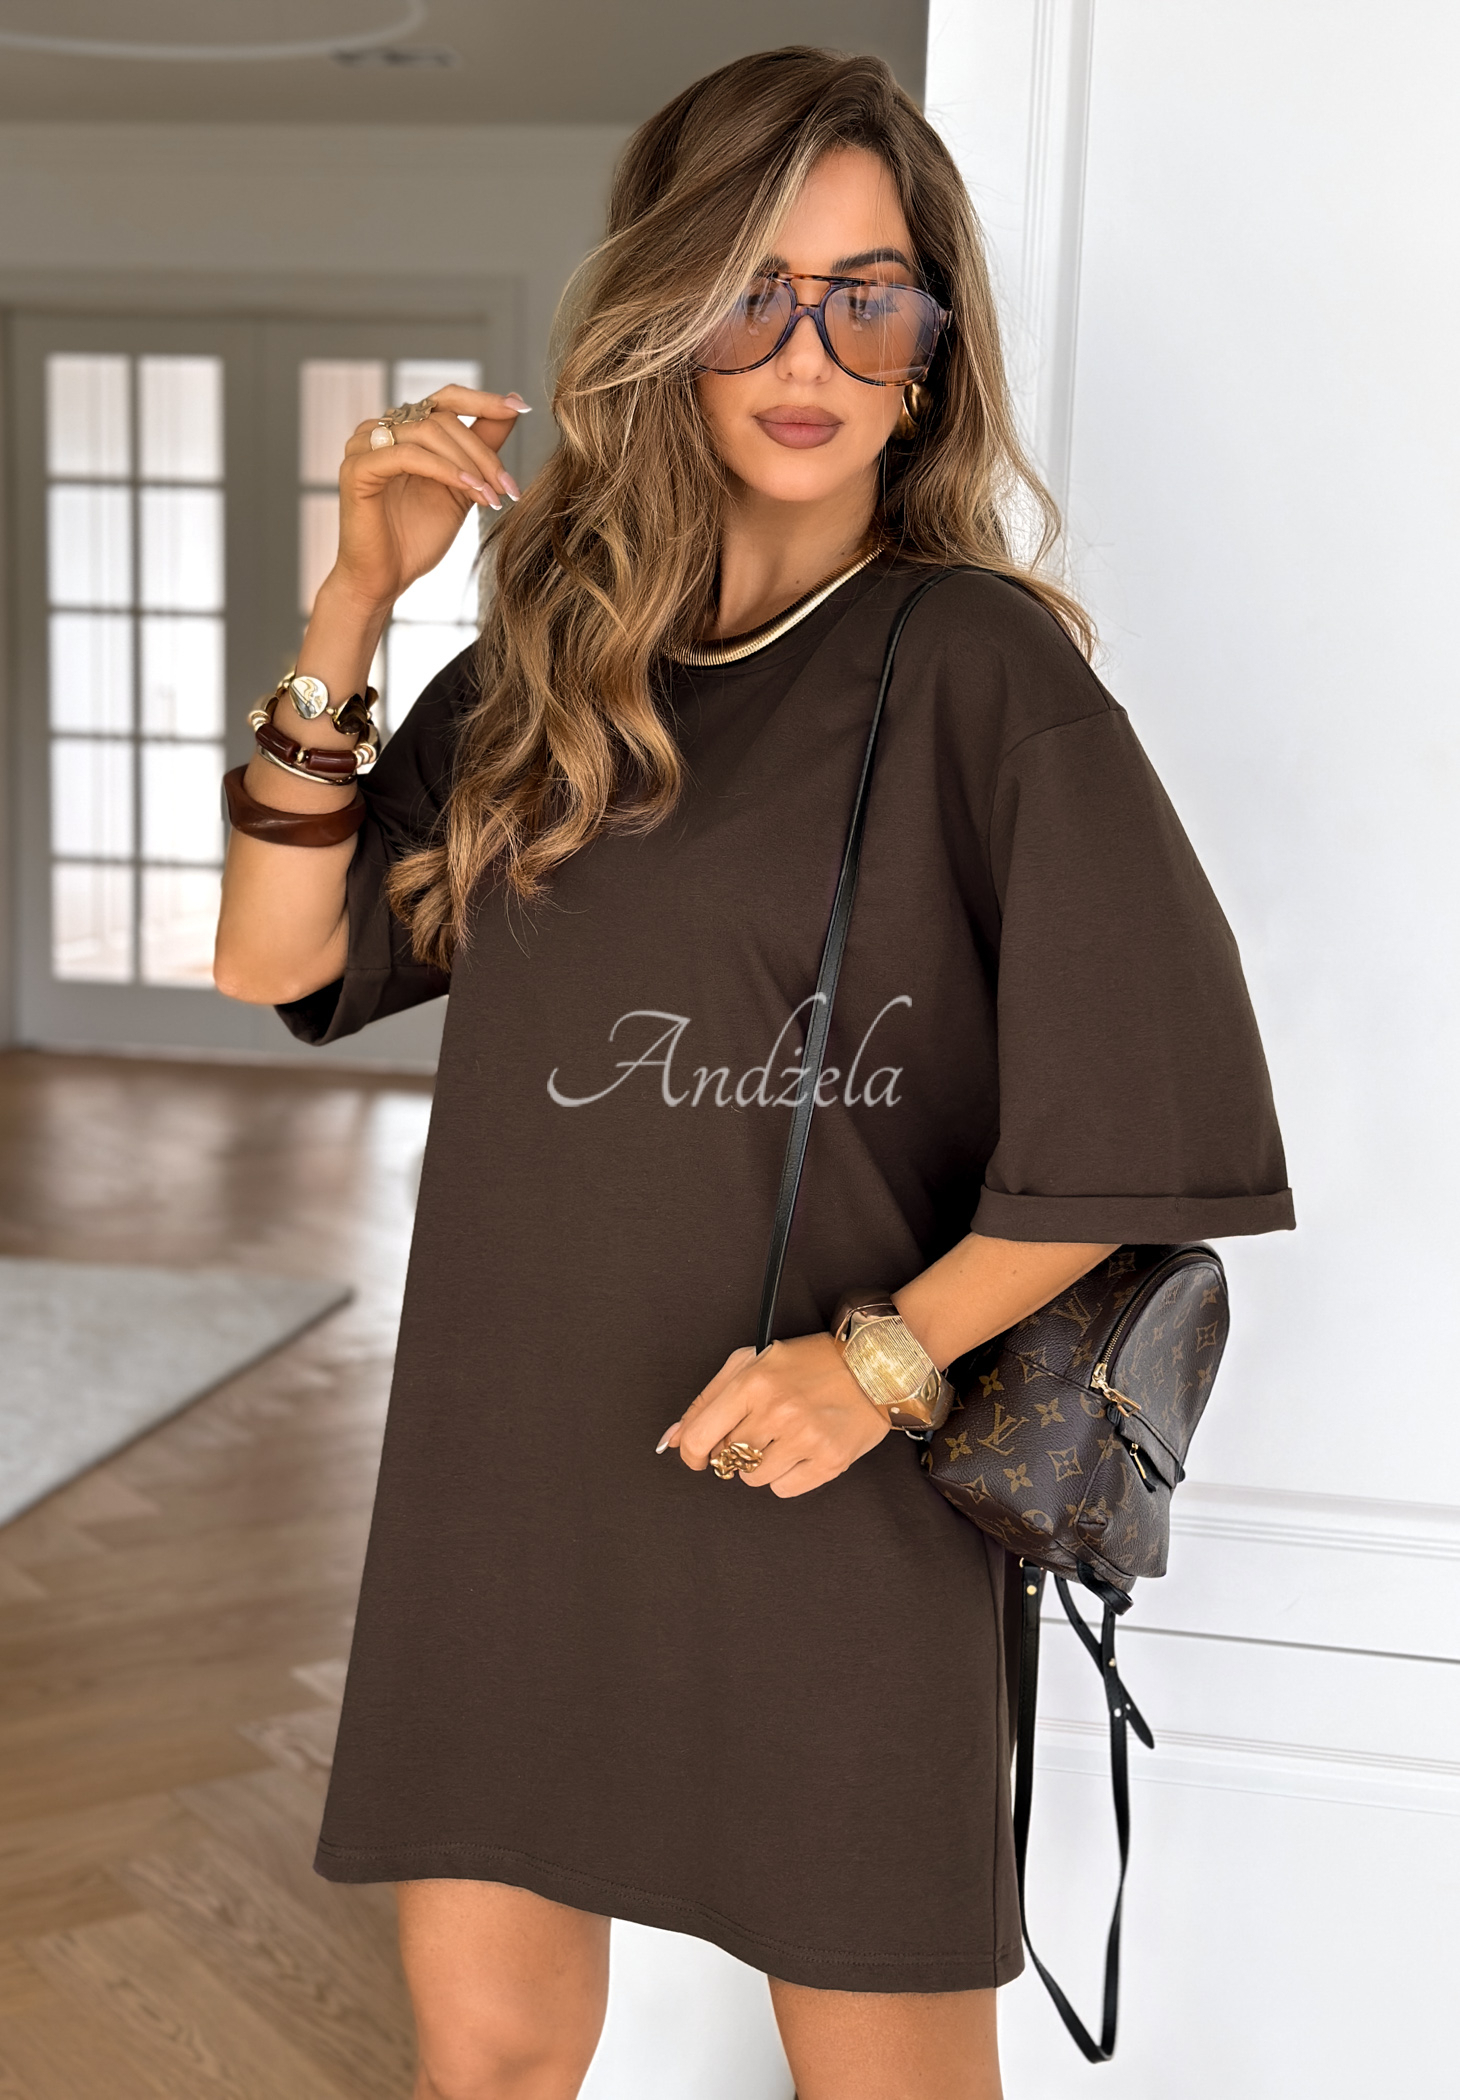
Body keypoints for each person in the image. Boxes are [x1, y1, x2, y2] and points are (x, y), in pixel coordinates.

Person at [214, 46, 1293, 2100]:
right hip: (513, 1465)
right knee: (488, 2061)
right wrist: (355, 599)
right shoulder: (554, 668)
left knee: (886, 2075)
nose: (808, 353)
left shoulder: (980, 666)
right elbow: (281, 959)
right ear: (665, 321)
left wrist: (876, 1367)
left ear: (930, 346)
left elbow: (1145, 1123)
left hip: (820, 1475)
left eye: (868, 295)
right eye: (751, 293)